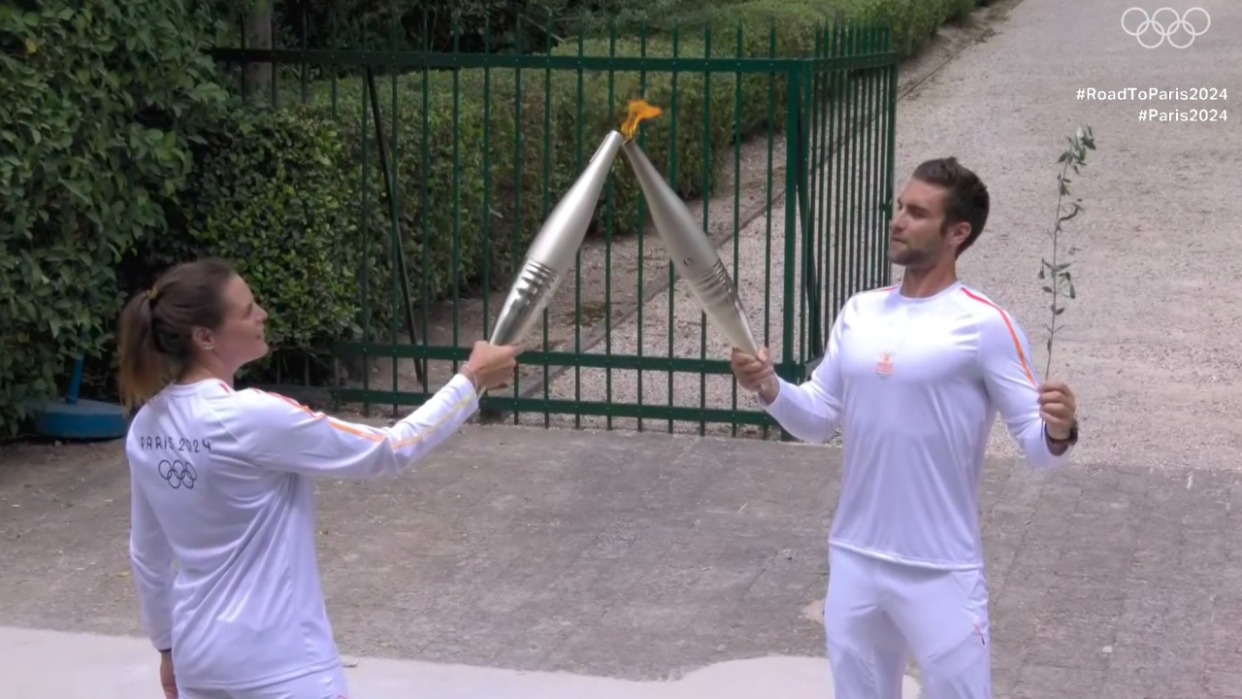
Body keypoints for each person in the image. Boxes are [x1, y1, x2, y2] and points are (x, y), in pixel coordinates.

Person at [730, 157, 1078, 699]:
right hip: (855, 559)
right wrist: (769, 387)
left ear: (957, 233)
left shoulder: (986, 323)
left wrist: (1060, 429)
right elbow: (819, 419)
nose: (898, 220)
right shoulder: (860, 312)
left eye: (917, 213)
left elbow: (1038, 448)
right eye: (900, 207)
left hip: (942, 571)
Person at [117, 258, 521, 699]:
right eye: (248, 308)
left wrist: (167, 648)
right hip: (284, 668)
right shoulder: (252, 416)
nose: (262, 315)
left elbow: (147, 556)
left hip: (200, 663)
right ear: (205, 337)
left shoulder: (146, 426)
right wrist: (471, 381)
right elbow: (390, 448)